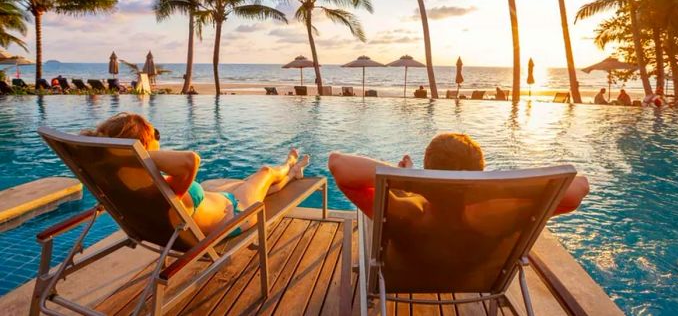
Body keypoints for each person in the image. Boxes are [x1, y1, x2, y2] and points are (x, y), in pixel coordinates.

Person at [81, 113, 308, 236]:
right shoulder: (167, 189)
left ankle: (292, 174)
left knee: (259, 185)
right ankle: (289, 163)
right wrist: (136, 156)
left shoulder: (126, 185)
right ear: (143, 146)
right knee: (265, 173)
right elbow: (191, 160)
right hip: (236, 213)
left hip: (220, 202)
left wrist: (123, 159)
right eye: (155, 135)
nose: (159, 139)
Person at [328, 133, 590, 219]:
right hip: (480, 280)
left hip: (405, 274)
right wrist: (494, 186)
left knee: (399, 196)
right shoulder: (499, 214)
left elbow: (338, 164)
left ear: (427, 172)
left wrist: (413, 179)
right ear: (481, 172)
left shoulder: (407, 212)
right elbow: (579, 187)